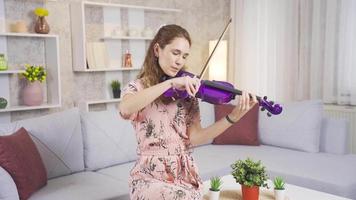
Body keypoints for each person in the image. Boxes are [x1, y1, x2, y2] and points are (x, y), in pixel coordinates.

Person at [119, 24, 257, 200]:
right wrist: (170, 83)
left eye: (184, 56)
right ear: (157, 49)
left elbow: (196, 137)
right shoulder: (137, 87)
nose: (179, 61)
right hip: (148, 177)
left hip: (184, 175)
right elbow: (125, 109)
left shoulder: (188, 93)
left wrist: (232, 118)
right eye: (175, 53)